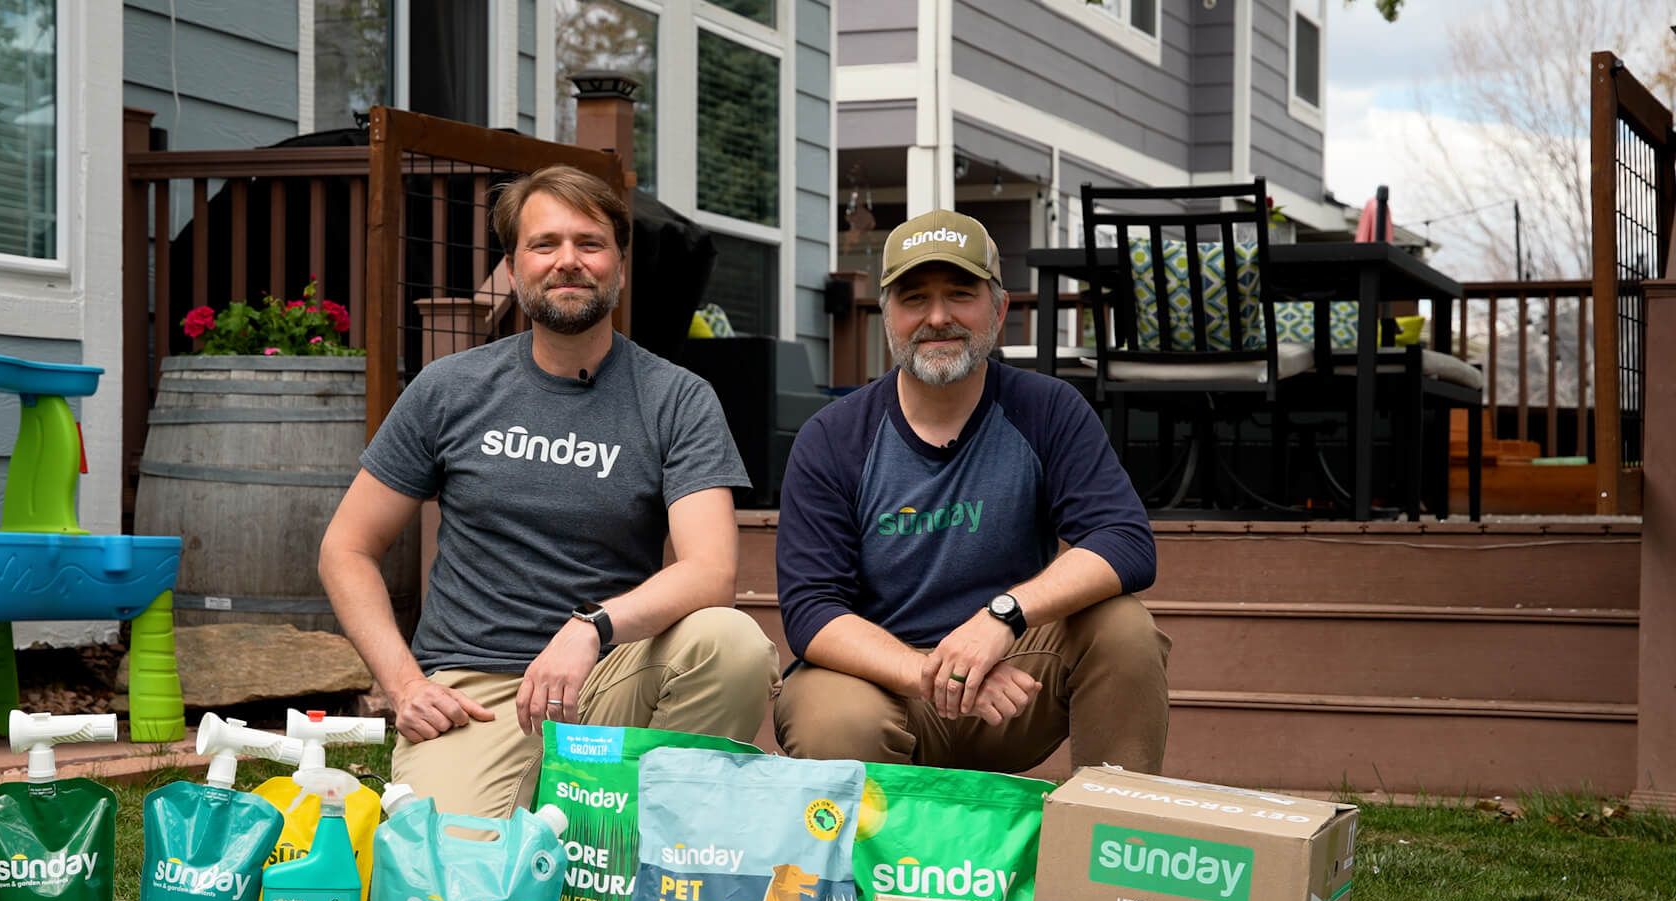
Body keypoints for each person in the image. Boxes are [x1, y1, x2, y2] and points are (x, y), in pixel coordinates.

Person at [320, 165, 778, 818]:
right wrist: (404, 685)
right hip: (475, 691)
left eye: (590, 243)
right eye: (545, 244)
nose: (569, 261)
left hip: (611, 679)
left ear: (620, 263)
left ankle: (651, 839)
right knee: (455, 898)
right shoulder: (450, 389)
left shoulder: (675, 398)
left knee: (730, 645)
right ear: (514, 265)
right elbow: (347, 548)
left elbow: (711, 572)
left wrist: (592, 628)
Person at [774, 209, 1169, 774]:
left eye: (961, 293)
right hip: (886, 687)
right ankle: (877, 862)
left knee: (1124, 629)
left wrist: (1001, 617)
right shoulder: (834, 437)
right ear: (888, 317)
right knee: (831, 716)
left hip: (1011, 685)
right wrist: (938, 673)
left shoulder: (1047, 410)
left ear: (1000, 309)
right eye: (914, 299)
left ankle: (1108, 844)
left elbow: (1124, 540)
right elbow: (812, 610)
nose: (938, 318)